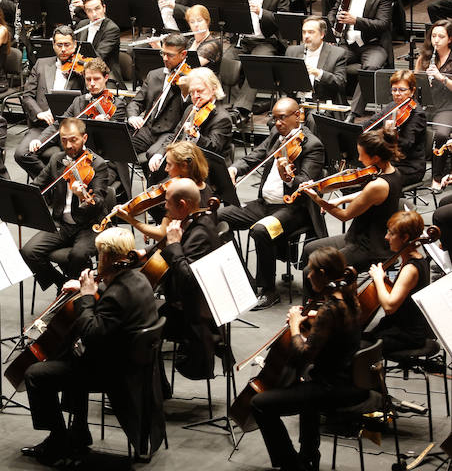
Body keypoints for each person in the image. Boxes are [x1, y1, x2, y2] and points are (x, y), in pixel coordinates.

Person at [20, 227, 162, 466]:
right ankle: (78, 431)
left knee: (36, 374)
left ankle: (58, 440)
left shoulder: (115, 295)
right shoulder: (139, 279)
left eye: (99, 254)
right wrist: (91, 286)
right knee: (72, 353)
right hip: (137, 363)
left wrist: (86, 296)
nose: (97, 259)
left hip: (116, 372)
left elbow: (91, 333)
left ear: (107, 257)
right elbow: (112, 298)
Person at [250, 247, 365, 471]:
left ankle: (292, 465)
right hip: (350, 380)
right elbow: (333, 333)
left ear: (322, 274)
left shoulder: (330, 310)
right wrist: (314, 318)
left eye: (311, 271)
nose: (308, 275)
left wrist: (295, 325)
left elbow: (304, 353)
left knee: (259, 404)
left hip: (331, 388)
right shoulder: (349, 299)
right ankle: (309, 454)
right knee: (305, 379)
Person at [221, 98, 326, 310]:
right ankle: (244, 278)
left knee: (261, 230)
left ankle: (268, 290)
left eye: (282, 118)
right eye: (275, 118)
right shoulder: (276, 136)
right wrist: (234, 168)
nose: (278, 123)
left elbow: (305, 183)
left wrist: (289, 179)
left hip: (293, 209)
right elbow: (255, 156)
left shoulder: (312, 145)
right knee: (218, 217)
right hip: (265, 204)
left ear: (298, 116)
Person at [21, 117, 112, 291]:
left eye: (73, 140)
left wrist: (82, 196)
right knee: (29, 252)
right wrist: (24, 196)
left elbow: (99, 201)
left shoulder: (97, 164)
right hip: (62, 224)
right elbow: (37, 185)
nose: (69, 145)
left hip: (90, 225)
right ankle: (62, 285)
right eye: (64, 140)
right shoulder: (57, 159)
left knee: (78, 255)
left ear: (84, 138)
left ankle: (81, 292)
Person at [299, 128, 403, 280]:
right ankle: (325, 289)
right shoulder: (391, 172)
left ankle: (326, 292)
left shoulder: (378, 185)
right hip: (359, 236)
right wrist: (341, 199)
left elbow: (344, 215)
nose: (359, 159)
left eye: (361, 154)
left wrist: (317, 199)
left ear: (375, 158)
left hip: (370, 248)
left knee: (310, 272)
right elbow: (367, 195)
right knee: (310, 249)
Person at [157, 177, 222, 380]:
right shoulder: (194, 221)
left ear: (182, 204)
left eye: (167, 202)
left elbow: (188, 280)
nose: (164, 206)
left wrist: (174, 245)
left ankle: (154, 389)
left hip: (192, 314)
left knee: (137, 323)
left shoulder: (200, 233)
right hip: (186, 304)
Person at [28, 58, 125, 181]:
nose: (92, 83)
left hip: (104, 163)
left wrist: (105, 125)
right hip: (77, 157)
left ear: (106, 78)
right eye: (88, 79)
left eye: (96, 79)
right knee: (52, 170)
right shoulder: (79, 101)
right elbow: (60, 124)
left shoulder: (117, 105)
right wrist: (40, 140)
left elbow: (116, 142)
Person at [15, 25, 86, 179]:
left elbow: (89, 95)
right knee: (21, 154)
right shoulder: (41, 64)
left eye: (67, 45)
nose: (63, 49)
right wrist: (39, 113)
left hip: (69, 129)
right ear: (53, 45)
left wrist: (84, 75)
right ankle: (50, 184)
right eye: (59, 45)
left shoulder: (82, 68)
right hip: (42, 126)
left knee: (68, 158)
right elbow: (27, 95)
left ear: (75, 45)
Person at [226, 0, 291, 117]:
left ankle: (241, 110)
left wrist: (260, 12)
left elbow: (282, 20)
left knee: (256, 64)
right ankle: (229, 105)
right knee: (226, 61)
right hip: (243, 40)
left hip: (266, 41)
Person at [328, 0, 394, 116]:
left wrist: (355, 21)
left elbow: (382, 24)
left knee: (370, 67)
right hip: (348, 44)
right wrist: (331, 29)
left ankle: (354, 113)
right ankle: (340, 108)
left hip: (373, 45)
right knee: (329, 62)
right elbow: (332, 13)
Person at [115, 141, 213, 242]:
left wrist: (130, 220)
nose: (166, 169)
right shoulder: (206, 188)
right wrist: (152, 229)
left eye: (169, 165)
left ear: (184, 166)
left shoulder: (181, 194)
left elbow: (162, 235)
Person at [364, 211, 430, 354]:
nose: (386, 237)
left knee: (359, 346)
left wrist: (378, 279)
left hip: (407, 334)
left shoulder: (410, 269)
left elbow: (389, 307)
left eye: (391, 233)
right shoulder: (415, 258)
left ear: (405, 238)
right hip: (400, 324)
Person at [128, 33, 192, 175]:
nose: (164, 58)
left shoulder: (190, 79)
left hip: (169, 133)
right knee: (119, 147)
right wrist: (133, 116)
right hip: (148, 130)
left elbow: (189, 111)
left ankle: (155, 188)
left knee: (154, 156)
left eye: (170, 55)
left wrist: (185, 91)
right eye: (163, 53)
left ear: (183, 54)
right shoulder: (153, 75)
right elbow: (137, 102)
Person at [150, 67, 232, 172]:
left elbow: (213, 148)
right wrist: (160, 153)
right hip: (186, 163)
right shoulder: (191, 109)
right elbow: (176, 135)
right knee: (155, 161)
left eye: (200, 91)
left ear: (213, 89)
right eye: (192, 92)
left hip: (207, 169)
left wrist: (197, 136)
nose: (196, 96)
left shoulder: (222, 118)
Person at [360, 69, 426, 188]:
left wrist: (387, 133)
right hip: (389, 162)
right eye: (394, 89)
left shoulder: (417, 114)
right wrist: (357, 130)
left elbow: (404, 145)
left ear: (412, 91)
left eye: (402, 90)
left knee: (370, 182)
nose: (397, 93)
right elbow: (371, 123)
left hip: (409, 167)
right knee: (359, 178)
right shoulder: (392, 106)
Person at [284, 16, 347, 104]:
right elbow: (285, 83)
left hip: (320, 103)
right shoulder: (292, 51)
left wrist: (318, 73)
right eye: (304, 32)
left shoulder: (337, 53)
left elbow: (340, 83)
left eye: (311, 32)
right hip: (295, 102)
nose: (306, 36)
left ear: (322, 34)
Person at [419, 20, 452, 189]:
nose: (436, 40)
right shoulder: (425, 58)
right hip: (427, 105)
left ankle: (437, 178)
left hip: (447, 107)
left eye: (441, 36)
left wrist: (440, 78)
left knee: (441, 134)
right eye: (433, 36)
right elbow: (414, 82)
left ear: (450, 39)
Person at [74, 0, 122, 86]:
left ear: (104, 8)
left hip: (104, 74)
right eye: (89, 11)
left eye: (97, 9)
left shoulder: (112, 29)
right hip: (82, 72)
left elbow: (98, 57)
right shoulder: (82, 24)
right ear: (85, 12)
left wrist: (77, 63)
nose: (94, 14)